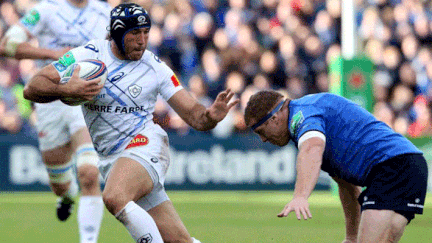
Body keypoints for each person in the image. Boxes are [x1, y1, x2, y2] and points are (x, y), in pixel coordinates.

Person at [23, 3, 239, 243]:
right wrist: (66, 87)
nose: (142, 40)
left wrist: (210, 116)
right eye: (135, 33)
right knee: (179, 241)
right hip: (111, 160)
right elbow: (32, 88)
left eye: (146, 32)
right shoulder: (87, 55)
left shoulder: (155, 67)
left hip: (145, 145)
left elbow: (195, 116)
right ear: (116, 33)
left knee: (114, 196)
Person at [243, 90, 428, 243]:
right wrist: (351, 237)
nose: (263, 139)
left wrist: (300, 196)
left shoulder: (301, 115)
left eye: (261, 131)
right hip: (408, 165)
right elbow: (347, 186)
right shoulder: (307, 114)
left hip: (392, 166)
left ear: (274, 118)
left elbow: (312, 148)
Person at [1, 0, 111, 242]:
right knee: (59, 182)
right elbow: (7, 45)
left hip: (87, 99)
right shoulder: (46, 10)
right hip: (50, 98)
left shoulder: (105, 13)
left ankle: (88, 239)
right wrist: (53, 54)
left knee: (89, 172)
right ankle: (67, 195)